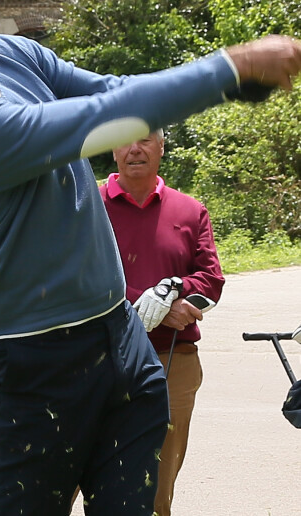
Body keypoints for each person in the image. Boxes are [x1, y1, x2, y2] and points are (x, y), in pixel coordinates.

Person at [0, 0, 301, 516]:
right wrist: (228, 70)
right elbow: (101, 121)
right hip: (36, 361)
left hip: (120, 336)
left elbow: (111, 91)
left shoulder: (8, 53)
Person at [99, 129, 225, 516]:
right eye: (124, 139)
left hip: (174, 358)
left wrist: (173, 290)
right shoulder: (87, 204)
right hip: (97, 356)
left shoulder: (190, 210)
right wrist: (145, 301)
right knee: (78, 467)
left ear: (162, 146)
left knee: (159, 480)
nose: (134, 149)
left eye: (146, 140)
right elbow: (73, 274)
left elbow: (211, 279)